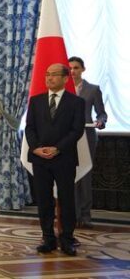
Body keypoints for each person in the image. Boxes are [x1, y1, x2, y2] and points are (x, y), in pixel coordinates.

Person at [25, 63, 85, 256]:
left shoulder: (76, 102)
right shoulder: (36, 101)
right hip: (40, 158)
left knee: (66, 200)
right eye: (47, 74)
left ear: (65, 78)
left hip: (64, 158)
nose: (49, 78)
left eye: (54, 75)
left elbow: (76, 130)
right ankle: (48, 239)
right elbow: (29, 128)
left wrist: (58, 148)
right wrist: (36, 148)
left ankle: (67, 239)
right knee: (44, 200)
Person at [68, 56, 108, 228]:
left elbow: (101, 113)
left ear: (83, 69)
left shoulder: (93, 89)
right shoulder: (63, 89)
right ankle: (72, 215)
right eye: (70, 68)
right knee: (70, 176)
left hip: (87, 136)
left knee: (85, 176)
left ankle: (85, 216)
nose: (72, 71)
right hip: (67, 138)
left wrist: (101, 121)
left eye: (76, 67)